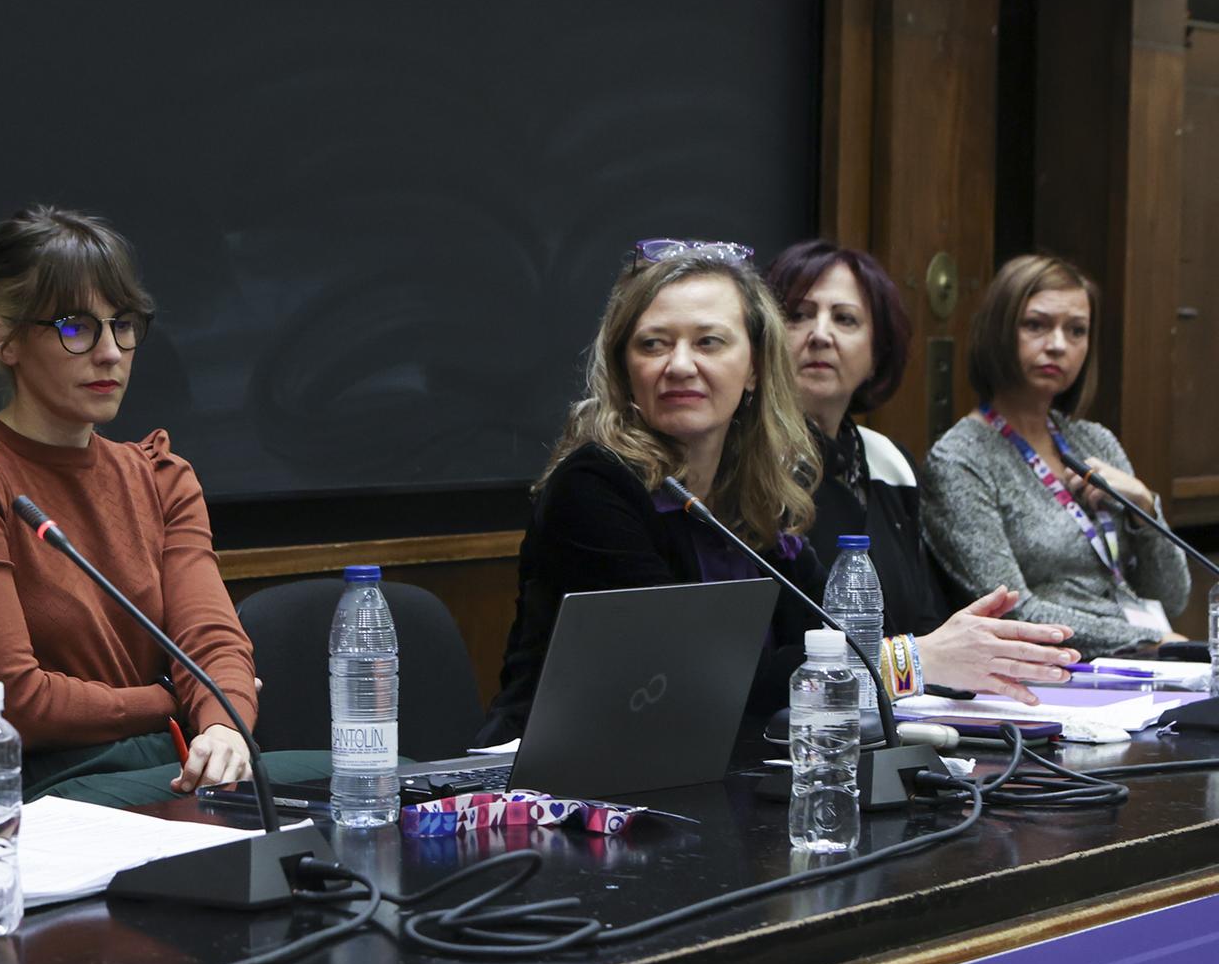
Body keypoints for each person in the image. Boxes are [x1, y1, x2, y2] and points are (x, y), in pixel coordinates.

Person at [476, 239, 1078, 747]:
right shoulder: (594, 486)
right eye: (653, 344)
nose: (679, 365)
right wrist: (911, 661)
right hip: (566, 790)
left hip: (721, 779)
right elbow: (687, 684)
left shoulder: (759, 493)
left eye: (708, 342)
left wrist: (925, 652)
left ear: (757, 368)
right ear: (623, 367)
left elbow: (838, 637)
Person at [0, 207, 320, 806]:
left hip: (180, 763)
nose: (110, 353)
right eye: (76, 327)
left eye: (123, 325)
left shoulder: (161, 477)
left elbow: (213, 642)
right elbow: (17, 701)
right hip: (46, 786)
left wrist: (225, 727)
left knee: (387, 779)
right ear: (4, 338)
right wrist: (174, 699)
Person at [923, 254, 1190, 657]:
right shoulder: (960, 458)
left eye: (1077, 330)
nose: (1058, 345)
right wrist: (1145, 641)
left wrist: (1144, 508)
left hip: (1138, 665)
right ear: (999, 330)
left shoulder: (1094, 442)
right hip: (1055, 677)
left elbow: (1170, 599)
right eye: (1036, 325)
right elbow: (1012, 612)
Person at [766, 240, 949, 638]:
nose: (820, 335)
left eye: (845, 319)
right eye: (798, 315)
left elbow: (921, 620)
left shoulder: (890, 462)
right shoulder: (742, 462)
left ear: (876, 354)